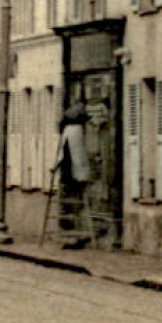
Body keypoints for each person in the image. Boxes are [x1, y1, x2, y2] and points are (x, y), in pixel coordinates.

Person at [55, 105, 91, 248]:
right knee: (72, 205)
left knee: (71, 205)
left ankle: (73, 236)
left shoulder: (71, 132)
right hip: (72, 174)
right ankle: (72, 236)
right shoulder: (75, 131)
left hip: (70, 174)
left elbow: (64, 154)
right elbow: (71, 155)